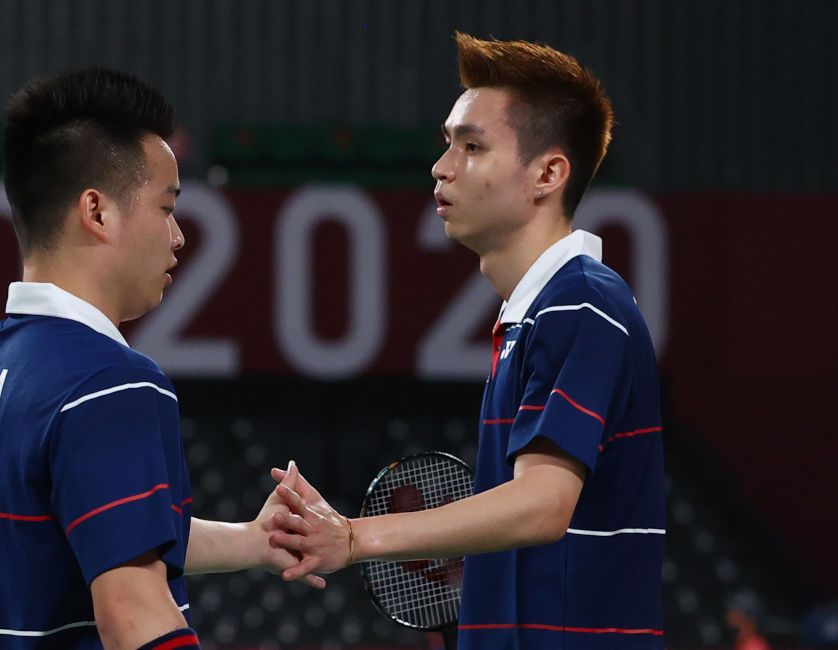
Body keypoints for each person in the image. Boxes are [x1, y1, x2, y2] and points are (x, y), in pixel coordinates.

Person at [267, 33, 665, 649]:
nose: (441, 166)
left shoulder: (581, 303)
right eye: (447, 143)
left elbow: (542, 504)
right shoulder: (531, 315)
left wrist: (353, 537)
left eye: (472, 146)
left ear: (547, 174)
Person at [0, 67, 321, 650]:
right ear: (97, 211)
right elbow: (132, 615)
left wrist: (255, 538)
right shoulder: (110, 382)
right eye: (167, 206)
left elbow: (95, 529)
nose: (178, 237)